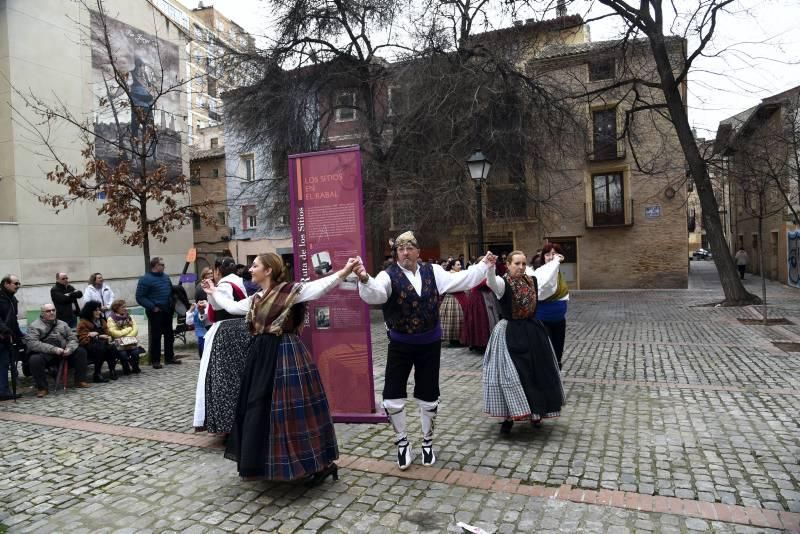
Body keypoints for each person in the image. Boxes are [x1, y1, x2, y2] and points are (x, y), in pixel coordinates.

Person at [205, 253, 361, 483]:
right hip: (260, 356)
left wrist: (344, 272)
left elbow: (318, 288)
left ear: (268, 270)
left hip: (286, 355)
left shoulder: (290, 291)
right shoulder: (256, 298)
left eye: (255, 265)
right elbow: (232, 307)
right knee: (260, 409)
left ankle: (317, 464)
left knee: (292, 411)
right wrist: (213, 293)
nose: (250, 269)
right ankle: (269, 463)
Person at [353, 231, 494, 470]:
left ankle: (427, 442)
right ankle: (402, 443)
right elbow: (376, 293)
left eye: (409, 248)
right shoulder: (388, 276)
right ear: (396, 253)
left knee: (429, 394)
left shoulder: (433, 272)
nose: (405, 253)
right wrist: (365, 279)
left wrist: (483, 265)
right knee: (393, 396)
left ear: (418, 251)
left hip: (429, 344)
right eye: (400, 249)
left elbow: (462, 279)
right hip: (400, 344)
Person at [484, 250, 565, 434]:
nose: (520, 267)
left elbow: (546, 274)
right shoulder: (503, 283)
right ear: (508, 265)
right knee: (514, 373)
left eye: (523, 264)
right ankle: (509, 417)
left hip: (532, 331)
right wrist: (489, 268)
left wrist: (555, 262)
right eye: (516, 264)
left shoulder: (532, 280)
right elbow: (491, 282)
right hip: (510, 331)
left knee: (536, 372)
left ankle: (537, 412)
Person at [192, 256, 248, 434]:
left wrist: (211, 296)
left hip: (227, 335)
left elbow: (220, 309)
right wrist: (204, 309)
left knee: (225, 380)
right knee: (240, 377)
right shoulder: (238, 283)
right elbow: (214, 312)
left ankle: (230, 425)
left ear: (217, 271)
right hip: (240, 332)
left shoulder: (224, 285)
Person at [26, 304, 90, 397]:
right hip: (46, 353)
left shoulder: (62, 324)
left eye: (53, 310)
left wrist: (70, 348)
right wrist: (54, 349)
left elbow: (72, 338)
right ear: (42, 313)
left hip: (64, 351)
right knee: (34, 360)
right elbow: (33, 343)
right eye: (48, 311)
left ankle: (80, 381)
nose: (51, 312)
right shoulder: (34, 326)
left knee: (81, 351)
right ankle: (42, 388)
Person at [135, 257, 178, 369]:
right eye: (162, 265)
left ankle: (169, 357)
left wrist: (172, 303)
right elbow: (140, 297)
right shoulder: (145, 279)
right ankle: (155, 360)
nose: (164, 267)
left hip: (167, 310)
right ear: (155, 266)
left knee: (169, 335)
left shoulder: (166, 277)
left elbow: (169, 292)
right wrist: (152, 307)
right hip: (155, 311)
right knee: (156, 336)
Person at [534, 243, 570, 369]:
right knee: (546, 348)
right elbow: (544, 288)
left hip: (559, 319)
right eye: (548, 254)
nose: (551, 257)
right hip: (543, 319)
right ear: (543, 257)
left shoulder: (558, 272)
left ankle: (556, 369)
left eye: (554, 254)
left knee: (558, 348)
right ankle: (546, 373)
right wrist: (555, 262)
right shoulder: (541, 272)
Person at [78, 301, 119, 382]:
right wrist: (98, 336)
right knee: (100, 348)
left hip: (102, 344)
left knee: (112, 347)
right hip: (89, 346)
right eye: (96, 310)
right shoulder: (83, 322)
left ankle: (112, 370)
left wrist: (109, 337)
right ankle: (97, 374)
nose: (98, 312)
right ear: (90, 311)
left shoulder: (102, 321)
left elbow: (108, 333)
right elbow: (83, 339)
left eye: (99, 310)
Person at [0, 274, 24, 401]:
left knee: (5, 363)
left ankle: (4, 391)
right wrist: (4, 329)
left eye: (18, 283)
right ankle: (3, 391)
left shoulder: (13, 299)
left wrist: (19, 336)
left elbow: (13, 320)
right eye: (15, 283)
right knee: (3, 363)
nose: (18, 286)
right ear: (6, 284)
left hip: (7, 337)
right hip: (2, 335)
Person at [107, 299, 143, 375]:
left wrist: (127, 336)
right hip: (119, 343)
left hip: (130, 341)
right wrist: (129, 329)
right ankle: (126, 368)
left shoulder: (129, 316)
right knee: (123, 354)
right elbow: (114, 333)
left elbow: (135, 329)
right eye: (123, 307)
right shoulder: (111, 319)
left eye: (125, 307)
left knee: (135, 352)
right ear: (116, 308)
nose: (125, 308)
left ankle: (135, 367)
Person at [439, 260, 469, 346]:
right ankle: (454, 339)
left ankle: (460, 338)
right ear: (452, 266)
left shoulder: (459, 274)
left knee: (459, 319)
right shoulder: (449, 275)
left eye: (460, 264)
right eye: (458, 265)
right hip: (452, 298)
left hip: (461, 297)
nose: (460, 266)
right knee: (454, 319)